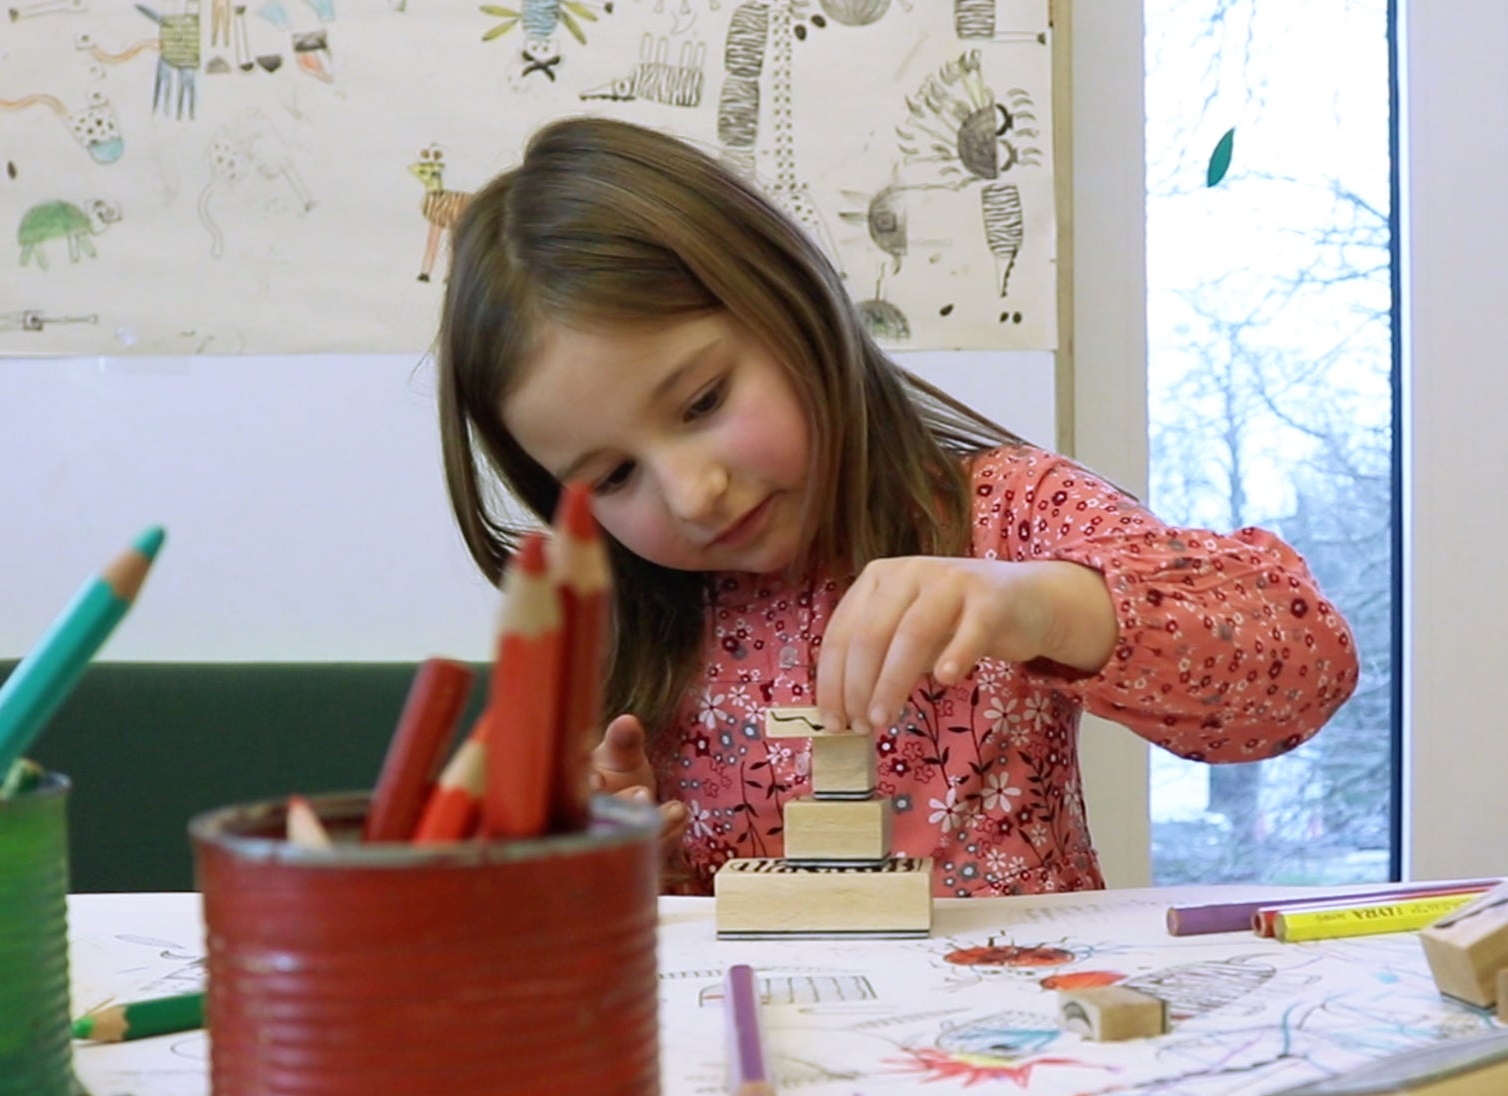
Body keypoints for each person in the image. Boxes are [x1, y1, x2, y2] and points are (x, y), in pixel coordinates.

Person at [434, 117, 1358, 898]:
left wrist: (1035, 603)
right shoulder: (628, 627)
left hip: (1019, 1052)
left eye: (705, 403)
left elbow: (1300, 668)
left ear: (793, 306)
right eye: (612, 479)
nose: (692, 492)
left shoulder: (1006, 515)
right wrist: (624, 861)